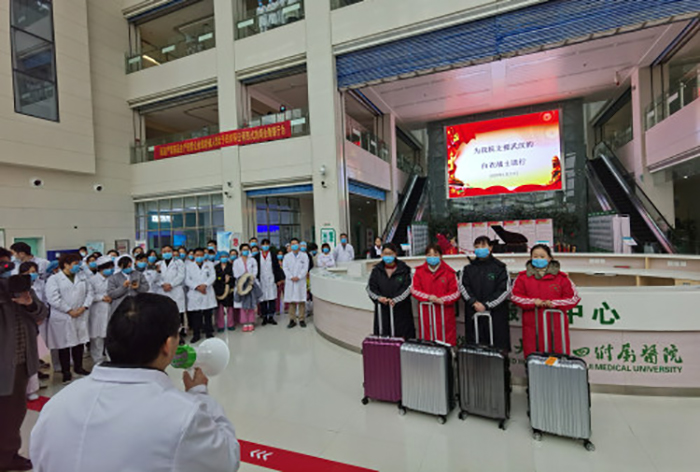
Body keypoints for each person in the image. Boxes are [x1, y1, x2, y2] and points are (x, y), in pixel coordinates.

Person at [30, 293, 241, 472]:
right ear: (168, 345)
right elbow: (227, 459)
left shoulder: (57, 404)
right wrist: (200, 394)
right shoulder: (183, 416)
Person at [0, 248, 48, 472]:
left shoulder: (20, 287)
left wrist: (27, 302)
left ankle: (8, 455)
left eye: (8, 264)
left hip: (18, 362)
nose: (5, 269)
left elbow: (41, 314)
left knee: (14, 413)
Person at [511, 244, 580, 357]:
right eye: (535, 256)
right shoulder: (522, 277)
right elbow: (515, 296)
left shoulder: (561, 278)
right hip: (533, 325)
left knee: (558, 357)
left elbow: (573, 298)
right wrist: (533, 302)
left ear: (550, 258)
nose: (538, 259)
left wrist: (554, 303)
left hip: (555, 325)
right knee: (534, 357)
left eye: (542, 256)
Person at [45, 253, 94, 383]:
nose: (78, 266)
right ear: (66, 265)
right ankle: (66, 372)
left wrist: (84, 307)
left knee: (79, 343)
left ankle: (79, 367)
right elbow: (53, 298)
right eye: (75, 264)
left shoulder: (82, 277)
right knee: (64, 345)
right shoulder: (54, 279)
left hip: (80, 314)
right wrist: (69, 310)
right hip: (63, 316)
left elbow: (90, 292)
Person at [459, 236, 511, 350]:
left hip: (496, 315)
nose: (479, 249)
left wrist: (486, 305)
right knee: (475, 348)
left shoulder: (500, 267)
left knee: (498, 348)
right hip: (474, 313)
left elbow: (504, 290)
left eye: (483, 246)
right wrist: (473, 302)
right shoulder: (468, 269)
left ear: (490, 248)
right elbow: (463, 287)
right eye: (477, 246)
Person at [410, 244, 460, 346]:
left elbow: (456, 292)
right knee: (427, 341)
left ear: (441, 256)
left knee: (446, 341)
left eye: (435, 254)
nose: (432, 257)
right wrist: (428, 297)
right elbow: (414, 289)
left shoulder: (449, 272)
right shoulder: (419, 272)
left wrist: (442, 300)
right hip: (426, 313)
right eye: (429, 255)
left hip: (444, 313)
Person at [366, 243, 414, 339]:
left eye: (390, 253)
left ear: (395, 254)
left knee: (402, 337)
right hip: (382, 311)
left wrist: (395, 300)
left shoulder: (404, 269)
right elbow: (370, 288)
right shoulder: (376, 270)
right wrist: (379, 298)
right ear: (381, 255)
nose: (388, 256)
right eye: (385, 254)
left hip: (401, 311)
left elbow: (409, 287)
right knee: (384, 339)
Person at [156, 245, 187, 343]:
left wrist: (171, 284)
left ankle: (179, 336)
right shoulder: (158, 264)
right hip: (163, 291)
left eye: (169, 251)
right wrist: (162, 284)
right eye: (164, 251)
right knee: (165, 315)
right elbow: (155, 277)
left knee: (178, 315)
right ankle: (167, 336)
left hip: (176, 290)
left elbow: (181, 276)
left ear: (173, 252)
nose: (167, 253)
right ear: (161, 253)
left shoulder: (179, 263)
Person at [186, 248, 217, 342]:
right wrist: (197, 287)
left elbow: (213, 276)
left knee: (208, 314)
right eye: (197, 255)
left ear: (204, 256)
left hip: (207, 291)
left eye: (201, 255)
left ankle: (208, 332)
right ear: (194, 256)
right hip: (195, 292)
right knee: (196, 316)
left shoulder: (209, 265)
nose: (199, 257)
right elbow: (186, 280)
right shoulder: (188, 266)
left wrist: (205, 285)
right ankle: (196, 334)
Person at [88, 256, 114, 366]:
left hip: (110, 308)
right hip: (97, 310)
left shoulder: (112, 279)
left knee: (110, 336)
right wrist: (101, 298)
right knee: (97, 337)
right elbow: (89, 295)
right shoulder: (92, 280)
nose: (111, 270)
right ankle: (98, 360)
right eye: (108, 268)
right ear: (101, 268)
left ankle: (111, 359)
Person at [255, 239, 284, 326]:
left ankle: (271, 316)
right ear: (261, 246)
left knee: (272, 298)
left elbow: (277, 268)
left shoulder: (273, 255)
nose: (265, 246)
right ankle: (264, 317)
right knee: (262, 299)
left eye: (267, 244)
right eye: (263, 244)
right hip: (261, 280)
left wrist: (278, 279)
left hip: (271, 279)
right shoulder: (257, 256)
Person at [283, 238, 309, 328]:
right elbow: (285, 268)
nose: (294, 245)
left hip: (300, 281)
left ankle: (301, 319)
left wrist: (299, 276)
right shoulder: (287, 256)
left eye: (296, 243)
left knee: (301, 300)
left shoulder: (304, 256)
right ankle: (292, 320)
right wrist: (291, 277)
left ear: (299, 245)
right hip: (290, 281)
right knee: (292, 301)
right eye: (292, 244)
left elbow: (305, 268)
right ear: (290, 245)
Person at [233, 244, 258, 332]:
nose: (245, 251)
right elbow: (235, 273)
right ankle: (244, 322)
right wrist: (243, 279)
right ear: (240, 251)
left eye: (247, 249)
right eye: (243, 249)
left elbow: (255, 270)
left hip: (250, 282)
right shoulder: (236, 261)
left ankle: (251, 322)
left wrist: (251, 278)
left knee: (251, 303)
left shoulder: (252, 260)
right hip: (241, 283)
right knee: (242, 305)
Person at [214, 252, 235, 332]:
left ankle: (231, 324)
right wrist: (222, 279)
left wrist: (229, 280)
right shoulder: (216, 267)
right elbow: (215, 278)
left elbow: (234, 277)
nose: (224, 258)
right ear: (219, 258)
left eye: (225, 256)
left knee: (230, 307)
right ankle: (220, 325)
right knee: (220, 308)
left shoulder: (231, 266)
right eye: (222, 257)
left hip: (229, 289)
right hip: (219, 289)